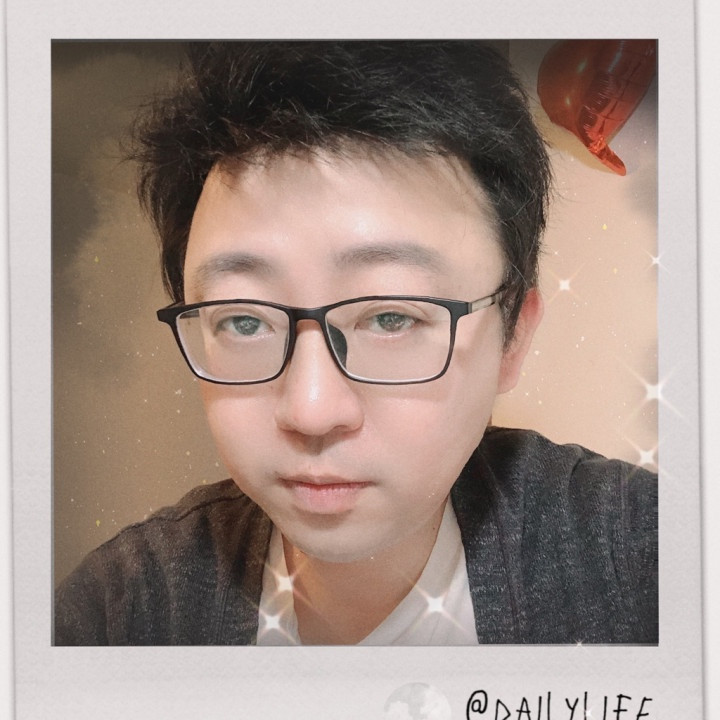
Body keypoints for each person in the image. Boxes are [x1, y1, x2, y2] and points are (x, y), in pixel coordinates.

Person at [54, 41, 658, 646]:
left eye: (391, 317)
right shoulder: (119, 611)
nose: (311, 411)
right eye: (244, 321)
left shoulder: (641, 560)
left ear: (513, 337)